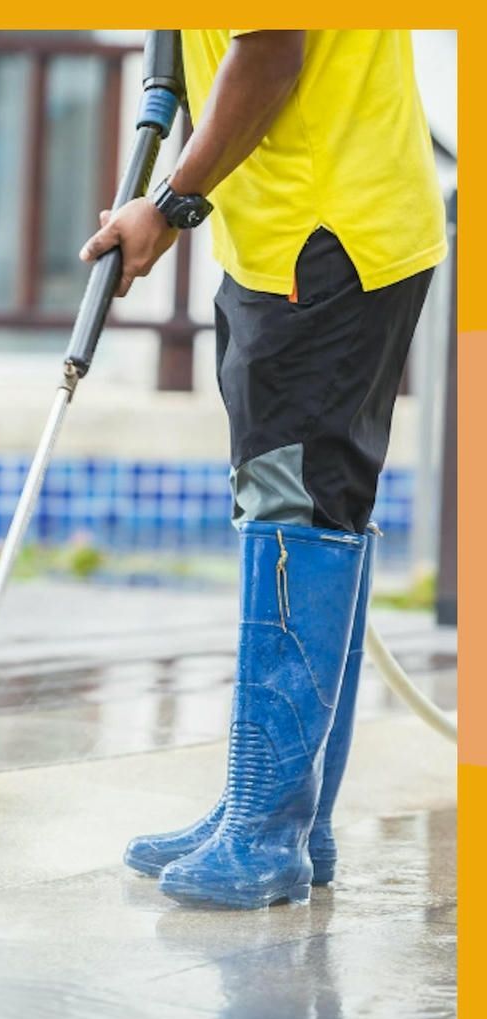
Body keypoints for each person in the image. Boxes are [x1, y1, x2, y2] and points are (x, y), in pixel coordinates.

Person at [80, 30, 447, 909]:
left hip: (330, 239)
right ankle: (285, 815)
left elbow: (272, 50)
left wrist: (167, 204)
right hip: (276, 240)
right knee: (289, 506)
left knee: (299, 513)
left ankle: (267, 829)